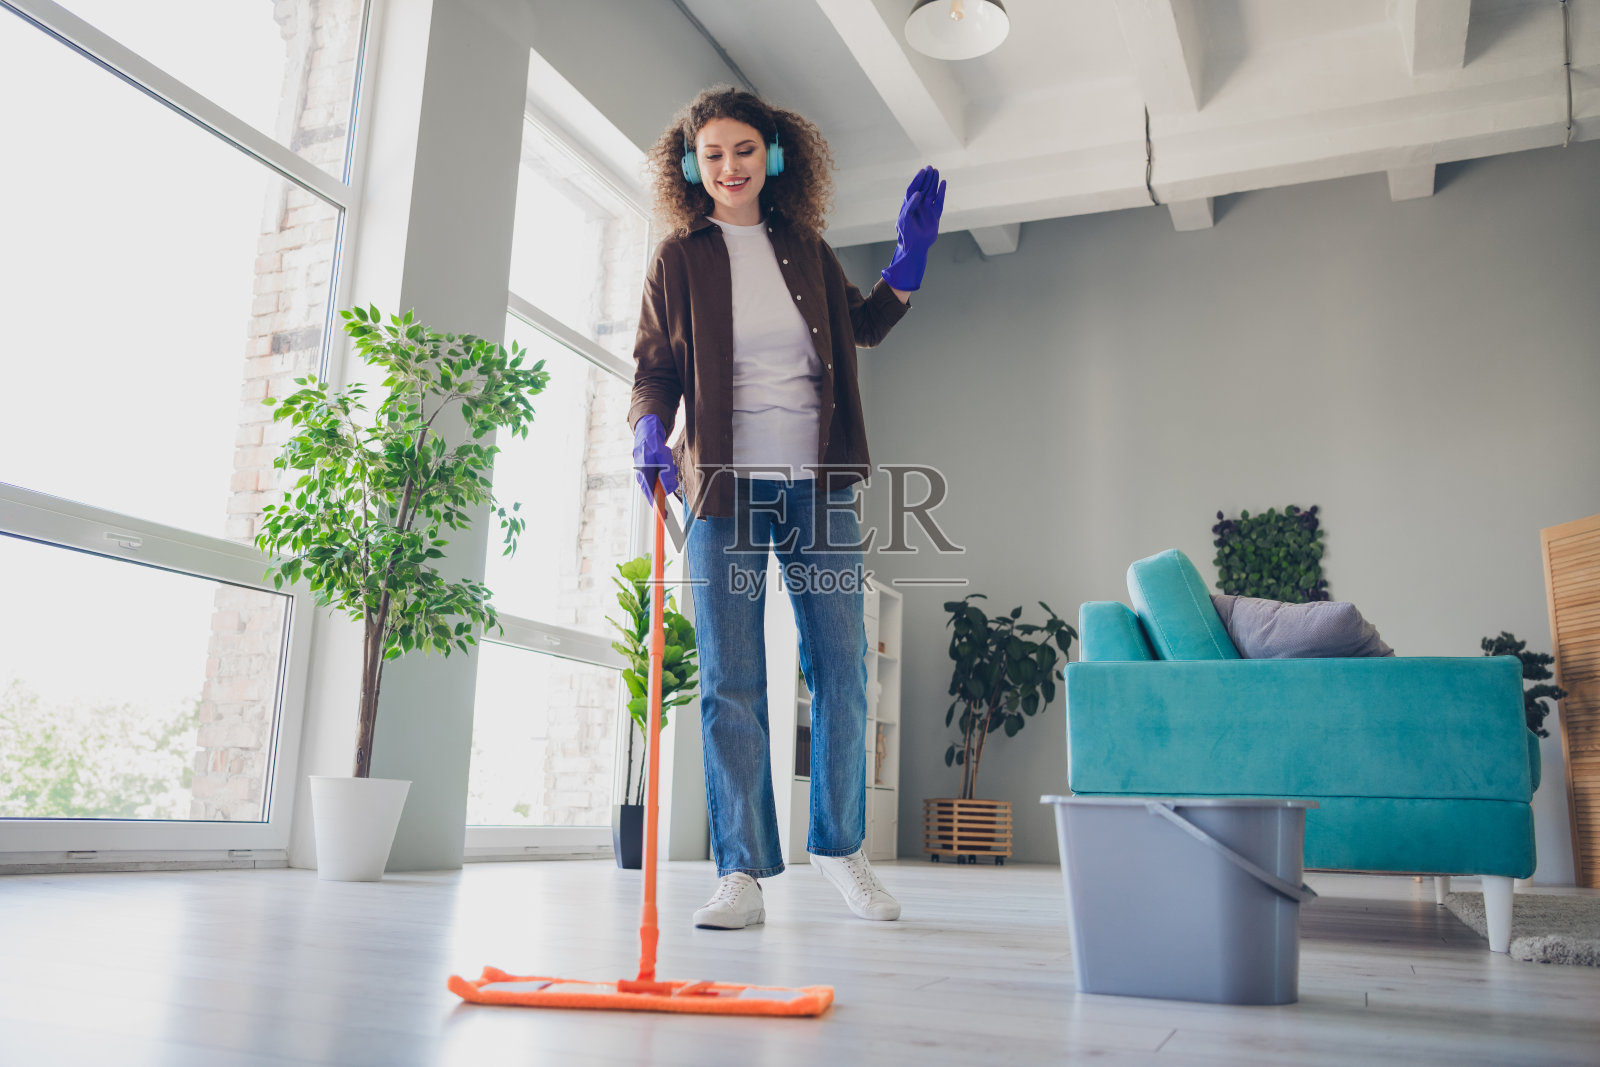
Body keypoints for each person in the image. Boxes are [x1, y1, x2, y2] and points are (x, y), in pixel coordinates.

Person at [628, 86, 943, 929]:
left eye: (744, 149)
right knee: (732, 678)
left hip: (819, 483)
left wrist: (907, 261)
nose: (729, 167)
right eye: (713, 154)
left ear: (772, 154)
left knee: (841, 668)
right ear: (692, 165)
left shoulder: (803, 246)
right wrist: (649, 426)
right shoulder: (679, 258)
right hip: (722, 488)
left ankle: (841, 849)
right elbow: (654, 367)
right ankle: (740, 872)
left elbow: (864, 324)